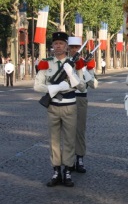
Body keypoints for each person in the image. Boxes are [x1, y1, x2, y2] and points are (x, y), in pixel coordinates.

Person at [34, 32, 86, 187]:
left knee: (69, 140)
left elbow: (82, 86)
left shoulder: (75, 63)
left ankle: (68, 171)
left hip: (70, 105)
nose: (58, 46)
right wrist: (54, 88)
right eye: (55, 43)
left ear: (66, 46)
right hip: (53, 106)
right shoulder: (46, 62)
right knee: (54, 141)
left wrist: (72, 75)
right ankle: (56, 171)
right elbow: (37, 85)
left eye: (61, 43)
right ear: (52, 45)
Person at [67, 37, 98, 173]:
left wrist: (85, 69)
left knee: (79, 130)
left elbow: (94, 85)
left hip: (80, 99)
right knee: (67, 131)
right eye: (72, 47)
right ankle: (68, 160)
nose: (74, 50)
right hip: (67, 98)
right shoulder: (65, 62)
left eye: (76, 47)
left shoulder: (86, 64)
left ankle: (79, 158)